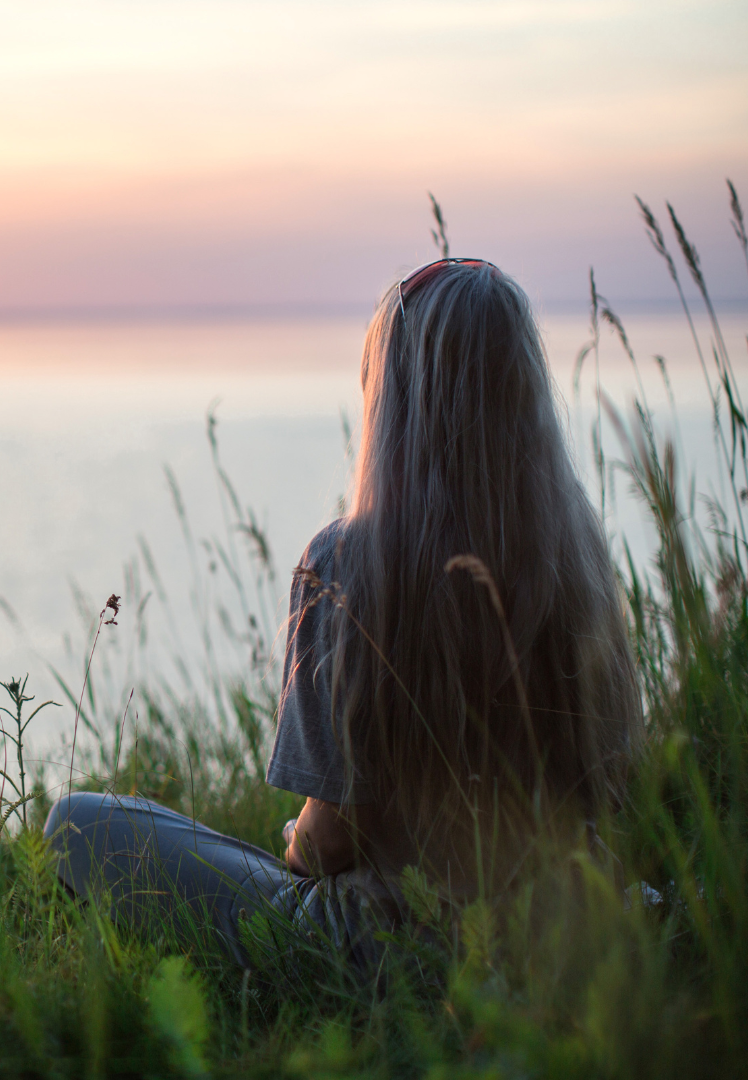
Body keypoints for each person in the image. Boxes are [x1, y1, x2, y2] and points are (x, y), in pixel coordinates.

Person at [44, 258, 641, 968]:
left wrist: (298, 834)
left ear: (394, 398)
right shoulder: (579, 561)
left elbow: (328, 846)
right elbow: (615, 791)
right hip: (565, 934)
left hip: (389, 948)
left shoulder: (348, 564)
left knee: (83, 824)